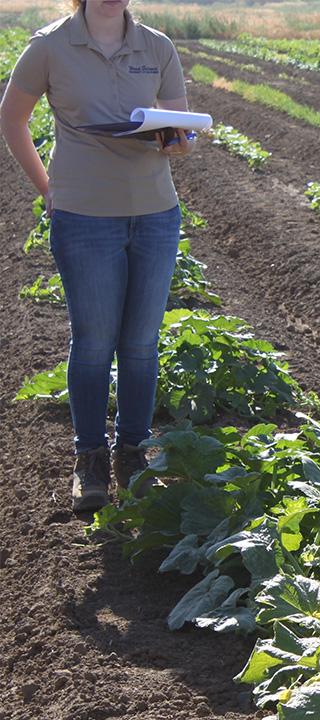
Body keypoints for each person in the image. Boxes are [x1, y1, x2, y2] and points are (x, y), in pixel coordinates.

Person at [1, 0, 193, 512]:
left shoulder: (156, 47)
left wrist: (177, 141)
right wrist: (47, 188)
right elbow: (12, 119)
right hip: (84, 218)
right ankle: (89, 459)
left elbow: (181, 129)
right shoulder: (50, 46)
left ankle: (134, 449)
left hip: (155, 215)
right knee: (92, 342)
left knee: (140, 344)